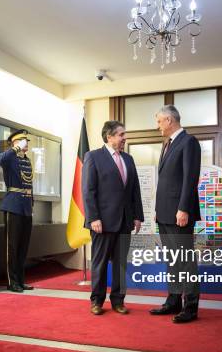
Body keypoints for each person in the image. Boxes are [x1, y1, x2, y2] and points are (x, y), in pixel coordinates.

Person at [82, 120, 144, 315]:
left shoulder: (129, 159)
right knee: (99, 263)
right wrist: (93, 218)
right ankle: (97, 302)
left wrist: (137, 216)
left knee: (120, 264)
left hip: (125, 221)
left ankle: (118, 301)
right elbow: (88, 190)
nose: (124, 138)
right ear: (109, 137)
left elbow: (135, 190)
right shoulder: (93, 157)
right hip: (102, 222)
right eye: (121, 134)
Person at [150, 105, 202, 323]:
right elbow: (166, 181)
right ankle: (173, 301)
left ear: (170, 120)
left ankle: (190, 306)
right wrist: (157, 210)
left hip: (180, 213)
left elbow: (190, 178)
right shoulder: (167, 144)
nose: (158, 126)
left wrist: (183, 208)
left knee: (185, 260)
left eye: (160, 121)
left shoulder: (188, 142)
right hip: (164, 213)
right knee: (172, 259)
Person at [0, 129, 35, 293]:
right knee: (12, 247)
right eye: (23, 140)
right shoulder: (11, 158)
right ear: (15, 142)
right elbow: (3, 158)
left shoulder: (26, 161)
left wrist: (31, 205)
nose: (26, 143)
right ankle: (11, 281)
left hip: (26, 207)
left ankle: (20, 280)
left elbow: (29, 185)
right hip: (13, 206)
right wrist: (15, 148)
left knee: (23, 247)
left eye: (26, 141)